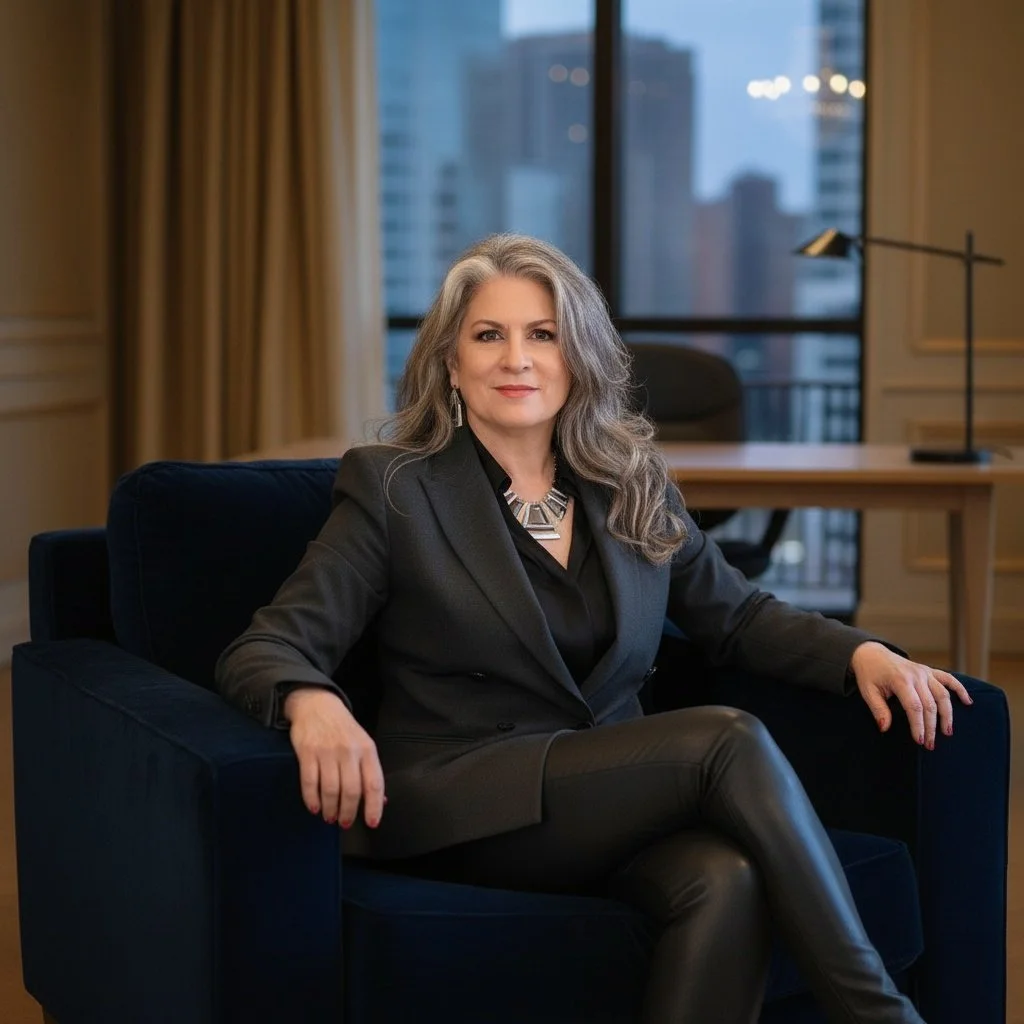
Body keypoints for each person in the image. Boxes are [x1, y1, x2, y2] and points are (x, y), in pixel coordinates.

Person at [216, 233, 970, 1023]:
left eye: (542, 334)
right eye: (488, 335)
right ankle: (880, 1015)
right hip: (463, 801)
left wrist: (863, 654)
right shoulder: (395, 489)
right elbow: (269, 645)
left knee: (727, 880)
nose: (517, 358)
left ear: (575, 355)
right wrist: (312, 702)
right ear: (450, 363)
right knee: (726, 738)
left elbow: (739, 615)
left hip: (606, 799)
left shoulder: (628, 482)